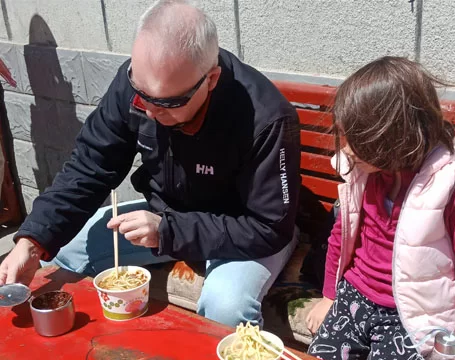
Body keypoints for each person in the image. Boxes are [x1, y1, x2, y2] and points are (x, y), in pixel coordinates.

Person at [0, 0, 301, 329]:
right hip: (168, 218)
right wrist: (32, 241)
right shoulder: (135, 88)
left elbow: (269, 227)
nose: (148, 110)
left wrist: (168, 231)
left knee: (225, 306)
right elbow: (89, 166)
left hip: (241, 231)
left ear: (211, 79)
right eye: (140, 93)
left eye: (168, 103)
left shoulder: (266, 118)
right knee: (67, 250)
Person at [304, 57, 455, 360]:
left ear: (392, 137)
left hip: (410, 316)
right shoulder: (363, 170)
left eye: (354, 137)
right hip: (354, 295)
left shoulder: (451, 185)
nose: (345, 147)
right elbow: (341, 234)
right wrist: (329, 296)